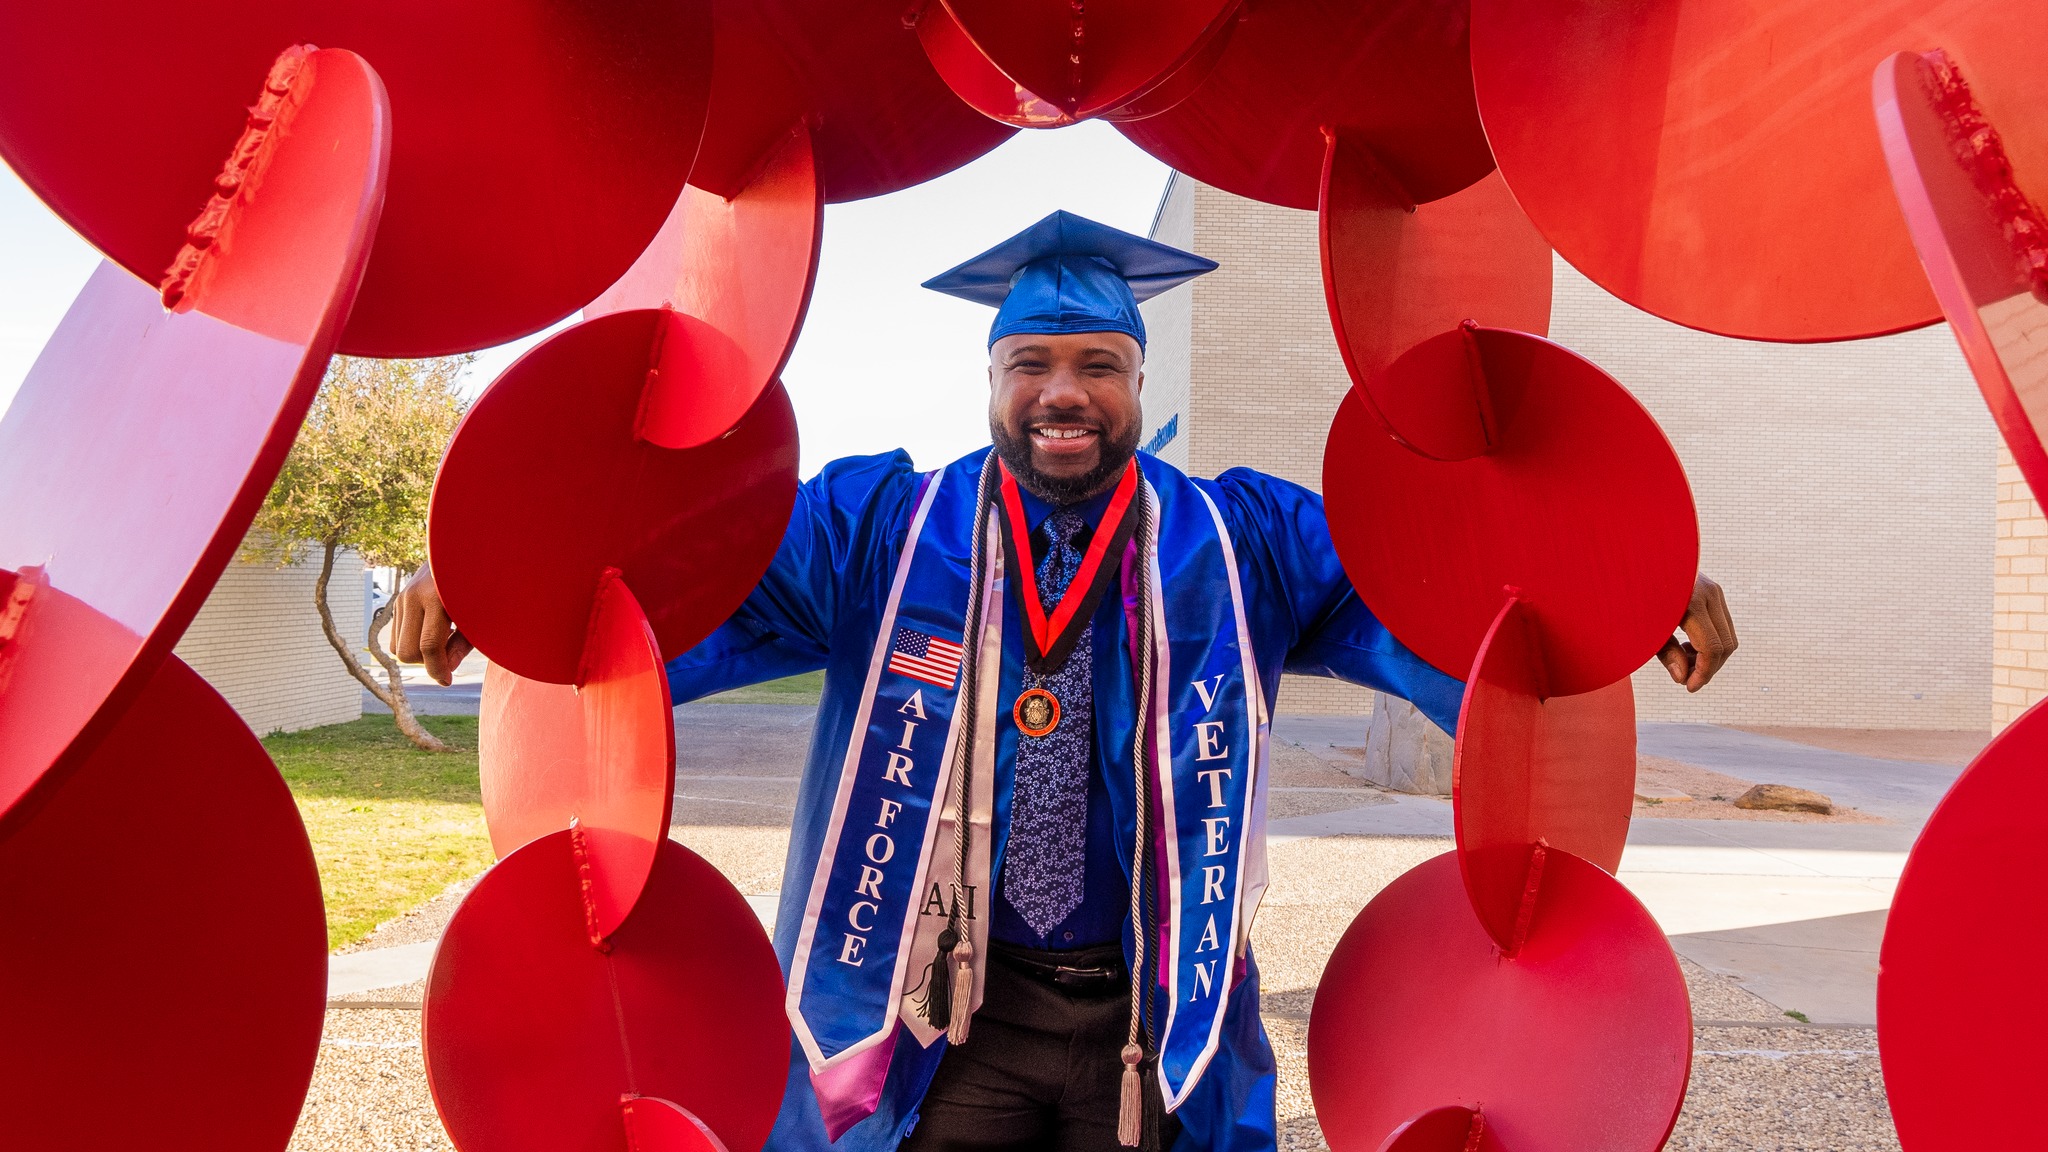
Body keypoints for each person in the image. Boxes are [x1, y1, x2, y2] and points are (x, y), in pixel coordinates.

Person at [391, 210, 1738, 1152]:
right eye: (1030, 363)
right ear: (989, 378)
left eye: (1098, 364)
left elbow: (1444, 584)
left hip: (1151, 1016)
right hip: (936, 1016)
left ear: (1140, 381)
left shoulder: (1241, 538)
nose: (1063, 390)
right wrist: (490, 588)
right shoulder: (878, 530)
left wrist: (1622, 591)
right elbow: (670, 572)